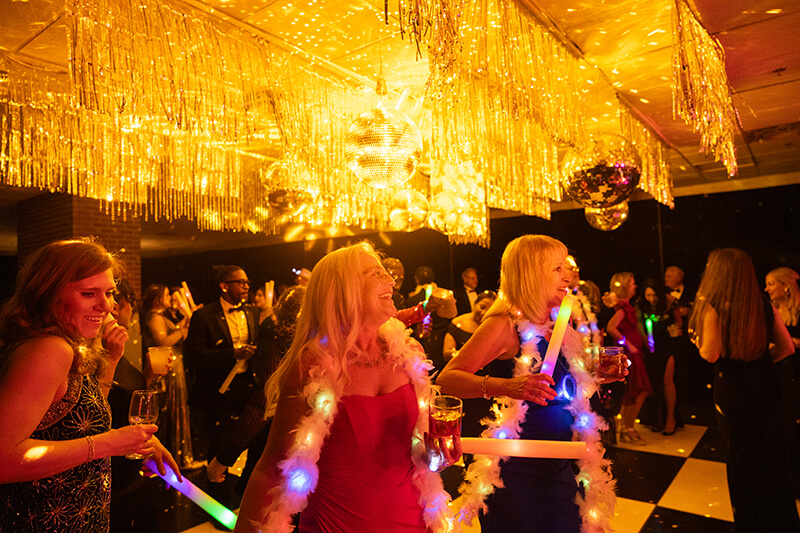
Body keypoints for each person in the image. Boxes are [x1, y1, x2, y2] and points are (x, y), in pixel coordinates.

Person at [234, 242, 460, 533]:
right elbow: (271, 467)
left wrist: (437, 455)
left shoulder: (409, 353)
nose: (390, 281)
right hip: (338, 524)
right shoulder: (312, 365)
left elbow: (420, 450)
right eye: (376, 275)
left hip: (414, 520)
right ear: (344, 290)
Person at [437, 235, 617, 533]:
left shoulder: (560, 322)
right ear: (532, 273)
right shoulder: (503, 325)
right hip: (516, 473)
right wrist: (508, 387)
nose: (568, 276)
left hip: (558, 466)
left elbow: (564, 384)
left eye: (567, 268)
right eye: (558, 269)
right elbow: (448, 380)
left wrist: (600, 374)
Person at [0, 238, 179, 531]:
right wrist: (108, 443)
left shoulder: (65, 343)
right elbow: (3, 458)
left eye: (109, 292)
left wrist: (130, 438)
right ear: (48, 293)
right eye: (88, 293)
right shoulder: (51, 349)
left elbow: (72, 421)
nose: (106, 305)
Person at [689, 248, 799, 532]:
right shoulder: (762, 303)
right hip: (765, 387)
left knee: (742, 462)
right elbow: (786, 347)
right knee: (771, 457)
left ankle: (751, 523)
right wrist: (760, 364)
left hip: (733, 393)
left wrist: (697, 341)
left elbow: (710, 354)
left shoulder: (713, 305)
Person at [207, 285, 306, 494]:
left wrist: (225, 456)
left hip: (286, 438)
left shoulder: (286, 342)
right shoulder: (333, 341)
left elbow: (266, 400)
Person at [184, 265, 259, 465]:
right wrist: (232, 354)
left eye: (247, 282)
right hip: (219, 387)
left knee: (249, 438)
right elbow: (195, 354)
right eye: (240, 282)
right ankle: (216, 485)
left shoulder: (253, 312)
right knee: (219, 440)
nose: (245, 286)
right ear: (224, 286)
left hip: (247, 385)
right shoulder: (204, 316)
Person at [107, 279, 163, 533]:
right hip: (111, 478)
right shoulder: (100, 353)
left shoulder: (114, 349)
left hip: (131, 468)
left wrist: (147, 377)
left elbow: (121, 399)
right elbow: (96, 412)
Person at [141, 283, 197, 468]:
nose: (169, 299)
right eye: (166, 296)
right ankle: (177, 457)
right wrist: (182, 331)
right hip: (167, 368)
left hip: (174, 366)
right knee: (173, 408)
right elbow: (163, 341)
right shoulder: (155, 317)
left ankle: (178, 455)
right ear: (157, 298)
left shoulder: (160, 317)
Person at [606, 271, 652, 445]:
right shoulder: (622, 308)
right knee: (639, 390)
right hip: (630, 353)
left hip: (634, 352)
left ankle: (626, 427)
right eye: (632, 283)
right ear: (625, 286)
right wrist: (628, 344)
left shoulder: (626, 306)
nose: (635, 286)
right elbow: (612, 328)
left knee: (634, 391)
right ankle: (628, 428)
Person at [637, 278, 679, 435]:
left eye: (654, 295)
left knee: (668, 380)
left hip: (667, 345)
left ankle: (670, 418)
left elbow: (679, 322)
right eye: (648, 295)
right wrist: (646, 341)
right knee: (653, 382)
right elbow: (640, 325)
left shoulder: (670, 302)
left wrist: (675, 329)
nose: (652, 299)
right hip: (650, 347)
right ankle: (655, 419)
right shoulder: (641, 304)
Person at [765, 267, 800, 348]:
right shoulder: (769, 311)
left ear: (786, 285)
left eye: (770, 284)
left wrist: (795, 343)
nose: (766, 289)